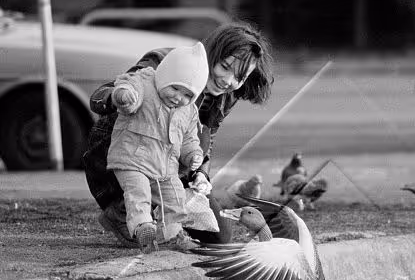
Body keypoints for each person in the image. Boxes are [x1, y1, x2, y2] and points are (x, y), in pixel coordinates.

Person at [83, 21, 274, 248]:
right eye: (224, 66)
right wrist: (120, 98)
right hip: (126, 149)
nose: (228, 81)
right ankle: (120, 210)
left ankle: (161, 213)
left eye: (239, 77)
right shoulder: (167, 62)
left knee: (219, 236)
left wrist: (201, 173)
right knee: (149, 226)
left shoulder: (227, 93)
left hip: (169, 159)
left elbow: (206, 137)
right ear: (212, 51)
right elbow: (99, 96)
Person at [107, 42, 208, 253]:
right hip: (132, 158)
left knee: (175, 197)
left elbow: (189, 138)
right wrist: (124, 96)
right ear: (164, 76)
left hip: (164, 166)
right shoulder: (144, 83)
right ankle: (144, 227)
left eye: (188, 95)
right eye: (175, 88)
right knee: (138, 192)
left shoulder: (188, 111)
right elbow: (127, 88)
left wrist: (193, 155)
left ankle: (172, 234)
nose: (179, 97)